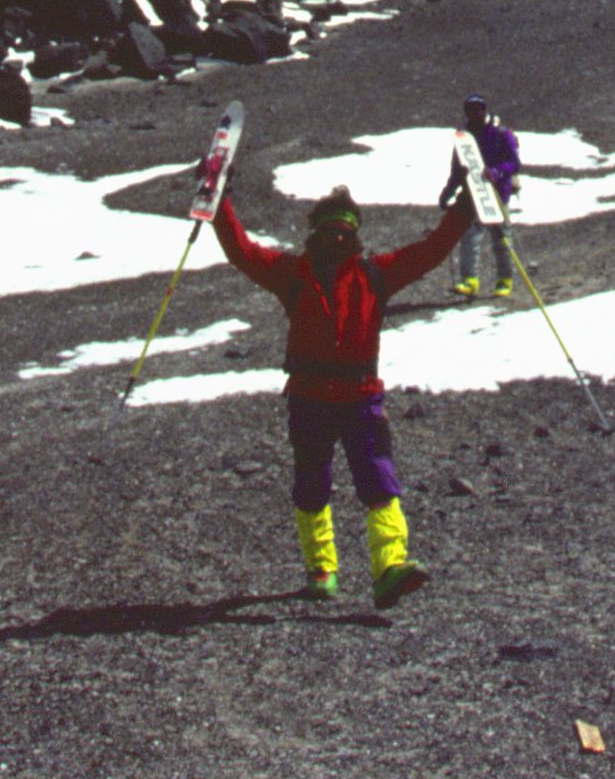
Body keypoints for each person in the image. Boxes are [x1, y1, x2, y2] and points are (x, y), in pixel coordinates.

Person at [214, 179, 469, 606]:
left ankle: (389, 567)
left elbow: (430, 252)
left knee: (379, 480)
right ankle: (321, 569)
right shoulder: (292, 272)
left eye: (345, 231)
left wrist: (464, 212)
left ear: (355, 235)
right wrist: (218, 202)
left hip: (360, 396)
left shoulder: (375, 274)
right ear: (316, 233)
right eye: (331, 229)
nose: (338, 237)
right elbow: (243, 252)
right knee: (312, 483)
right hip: (310, 397)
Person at [442, 95, 523, 298]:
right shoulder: (465, 138)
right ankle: (470, 280)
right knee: (470, 236)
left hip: (498, 193)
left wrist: (496, 171)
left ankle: (504, 280)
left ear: (485, 111)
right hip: (473, 193)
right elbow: (458, 168)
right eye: (470, 110)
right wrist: (449, 191)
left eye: (479, 109)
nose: (475, 113)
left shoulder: (501, 134)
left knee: (501, 238)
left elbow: (515, 163)